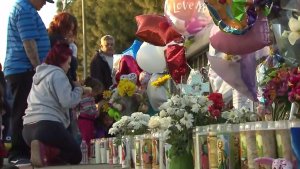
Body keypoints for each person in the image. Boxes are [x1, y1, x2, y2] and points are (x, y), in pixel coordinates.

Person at [22, 42, 89, 167]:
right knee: (75, 155)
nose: (69, 67)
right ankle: (46, 151)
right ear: (61, 61)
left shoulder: (38, 76)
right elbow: (68, 101)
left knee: (62, 152)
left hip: (27, 129)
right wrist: (78, 89)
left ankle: (43, 152)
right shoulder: (58, 74)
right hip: (47, 125)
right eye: (68, 63)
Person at [3, 0, 53, 166]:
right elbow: (29, 43)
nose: (45, 3)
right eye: (44, 0)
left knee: (26, 111)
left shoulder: (27, 8)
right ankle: (17, 153)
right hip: (23, 70)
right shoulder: (24, 10)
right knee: (21, 111)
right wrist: (38, 68)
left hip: (24, 70)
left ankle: (25, 151)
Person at [74, 76, 103, 155]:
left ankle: (87, 153)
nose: (96, 94)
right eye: (96, 92)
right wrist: (98, 109)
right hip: (85, 121)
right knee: (86, 138)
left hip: (86, 121)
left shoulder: (85, 97)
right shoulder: (87, 98)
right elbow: (89, 111)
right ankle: (86, 154)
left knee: (88, 137)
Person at [48, 12, 78, 82]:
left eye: (72, 30)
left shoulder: (69, 43)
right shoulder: (56, 41)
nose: (70, 32)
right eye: (69, 29)